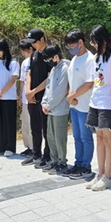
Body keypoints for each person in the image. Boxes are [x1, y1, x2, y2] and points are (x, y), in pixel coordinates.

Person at [83, 25, 111, 187]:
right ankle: (99, 173)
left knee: (108, 139)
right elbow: (95, 81)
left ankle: (108, 176)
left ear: (103, 40)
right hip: (95, 102)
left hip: (108, 103)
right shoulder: (94, 58)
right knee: (98, 138)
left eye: (95, 42)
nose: (93, 45)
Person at [64, 29, 96, 180]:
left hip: (84, 105)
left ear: (81, 42)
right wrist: (71, 97)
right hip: (74, 104)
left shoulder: (90, 59)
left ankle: (86, 166)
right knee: (76, 136)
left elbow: (89, 83)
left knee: (85, 137)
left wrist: (73, 96)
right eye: (68, 47)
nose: (71, 49)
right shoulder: (75, 59)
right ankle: (78, 163)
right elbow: (72, 80)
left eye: (72, 46)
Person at [23, 28, 52, 168]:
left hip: (44, 97)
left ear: (42, 39)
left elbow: (50, 77)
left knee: (46, 129)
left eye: (34, 42)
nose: (32, 45)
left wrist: (34, 91)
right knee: (34, 127)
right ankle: (36, 154)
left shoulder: (49, 54)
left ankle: (47, 156)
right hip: (32, 97)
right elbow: (29, 73)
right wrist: (28, 92)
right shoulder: (34, 54)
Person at [41, 45, 70, 174]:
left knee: (60, 137)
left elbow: (60, 91)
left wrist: (49, 105)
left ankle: (62, 162)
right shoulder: (53, 69)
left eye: (49, 59)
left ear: (56, 56)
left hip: (60, 109)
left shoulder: (65, 68)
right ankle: (54, 161)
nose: (48, 62)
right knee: (51, 136)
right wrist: (44, 102)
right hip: (50, 109)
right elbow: (48, 87)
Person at [0, 39, 20, 158]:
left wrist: (2, 91)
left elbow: (13, 80)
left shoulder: (13, 63)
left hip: (9, 97)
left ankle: (9, 147)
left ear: (5, 49)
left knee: (9, 122)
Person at [18, 39, 34, 158]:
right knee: (25, 123)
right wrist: (20, 97)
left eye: (24, 51)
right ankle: (28, 146)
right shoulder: (24, 63)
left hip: (33, 97)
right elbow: (22, 81)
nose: (23, 53)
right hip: (24, 97)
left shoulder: (36, 60)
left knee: (32, 124)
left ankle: (34, 147)